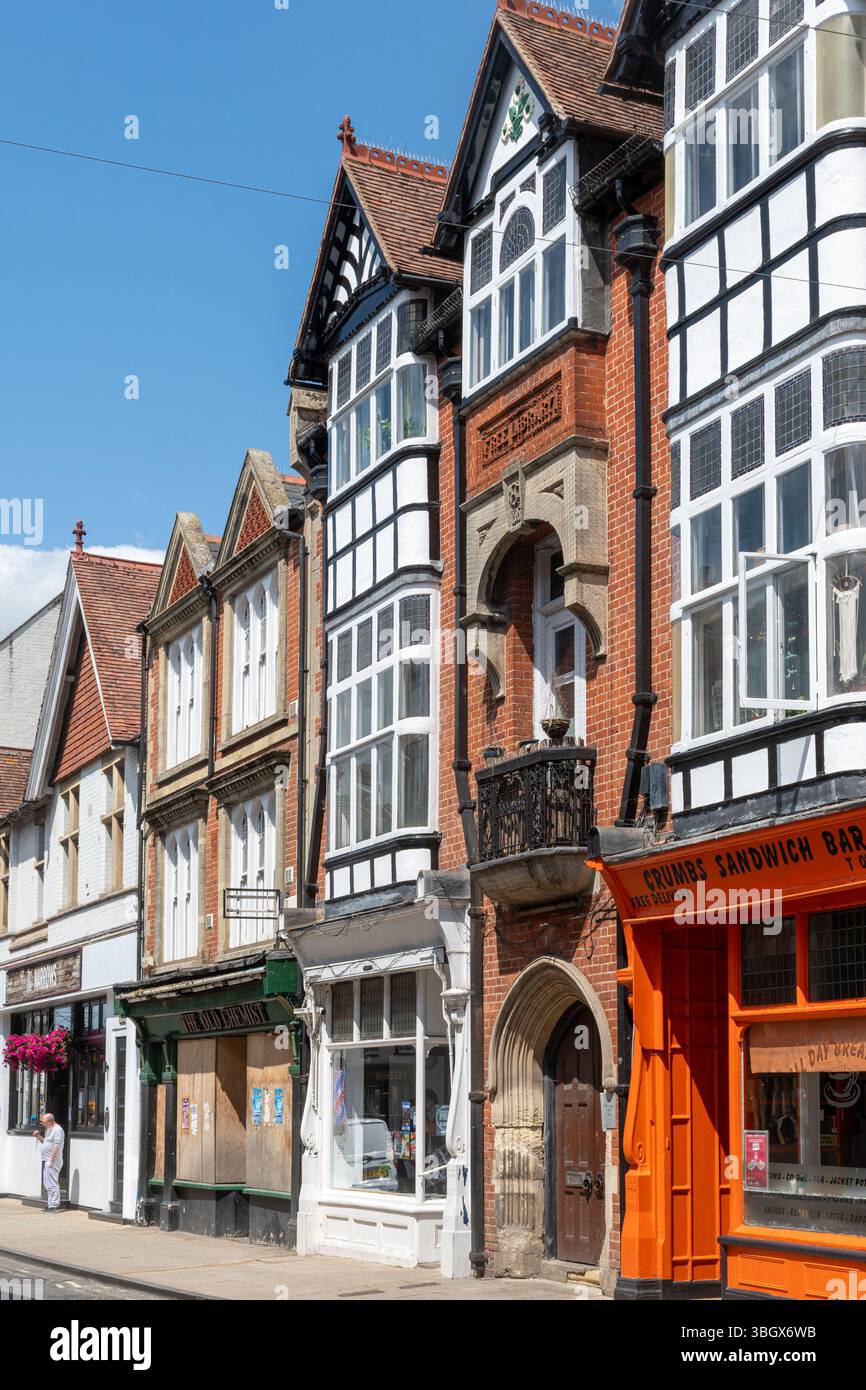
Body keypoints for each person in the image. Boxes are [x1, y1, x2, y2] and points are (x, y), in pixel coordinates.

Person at [33, 1111, 65, 1212]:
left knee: (52, 1183)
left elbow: (57, 1146)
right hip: (47, 1160)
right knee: (47, 1184)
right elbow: (45, 1143)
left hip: (53, 1161)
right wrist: (38, 1136)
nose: (43, 1124)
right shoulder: (50, 1130)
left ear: (50, 1121)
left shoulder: (57, 1130)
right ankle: (51, 1204)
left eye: (44, 1122)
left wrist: (51, 1160)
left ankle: (55, 1205)